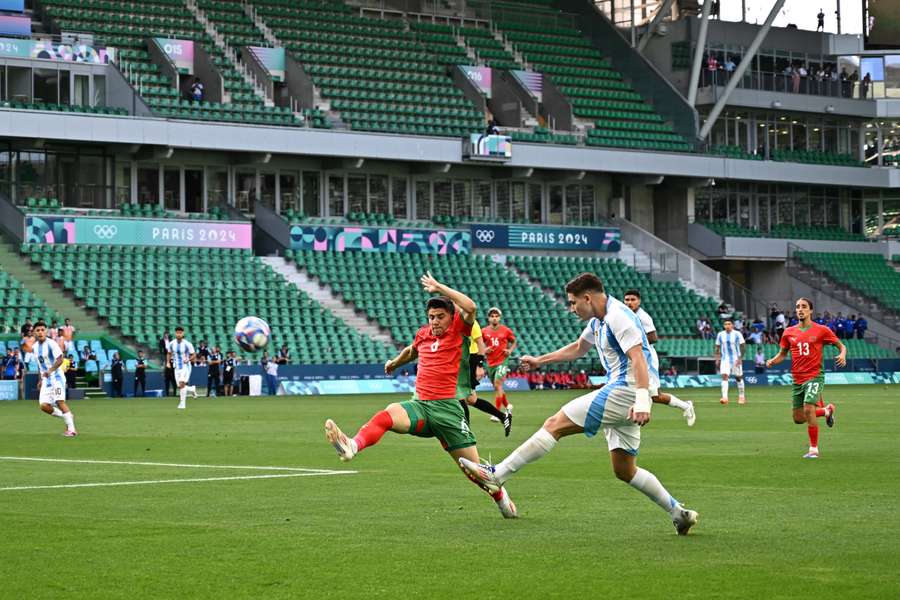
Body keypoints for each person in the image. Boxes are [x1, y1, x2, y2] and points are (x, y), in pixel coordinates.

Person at [459, 273, 698, 534]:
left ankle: (498, 474)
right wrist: (540, 361)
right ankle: (678, 512)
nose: (571, 309)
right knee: (624, 469)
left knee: (555, 424)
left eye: (574, 303)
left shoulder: (619, 317)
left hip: (626, 389)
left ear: (588, 297)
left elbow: (638, 357)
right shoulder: (599, 319)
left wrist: (642, 400)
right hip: (624, 391)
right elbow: (578, 348)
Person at [323, 272, 518, 519]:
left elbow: (470, 307)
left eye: (439, 317)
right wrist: (394, 363)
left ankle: (501, 498)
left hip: (448, 411)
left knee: (476, 471)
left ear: (451, 317)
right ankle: (352, 445)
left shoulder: (459, 329)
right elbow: (411, 351)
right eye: (431, 317)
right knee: (388, 414)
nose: (434, 321)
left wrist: (438, 287)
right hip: (421, 407)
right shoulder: (423, 334)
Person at [766, 298, 846, 458]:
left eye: (804, 307)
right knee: (798, 418)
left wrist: (842, 354)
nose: (800, 309)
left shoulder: (821, 330)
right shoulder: (789, 332)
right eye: (797, 307)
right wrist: (773, 361)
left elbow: (840, 345)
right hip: (797, 379)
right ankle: (826, 410)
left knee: (808, 408)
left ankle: (813, 449)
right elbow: (783, 354)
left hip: (815, 376)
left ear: (810, 311)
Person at [623, 289, 696, 426]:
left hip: (647, 358)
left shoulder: (643, 317)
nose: (629, 302)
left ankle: (685, 406)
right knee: (642, 390)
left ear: (639, 301)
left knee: (654, 394)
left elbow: (653, 337)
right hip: (635, 357)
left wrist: (632, 344)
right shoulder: (626, 315)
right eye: (627, 300)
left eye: (633, 300)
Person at [461, 318, 512, 436]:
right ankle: (503, 416)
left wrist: (479, 365)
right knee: (471, 399)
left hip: (470, 360)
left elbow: (479, 342)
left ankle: (465, 431)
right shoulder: (456, 321)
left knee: (460, 396)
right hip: (462, 360)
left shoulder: (470, 322)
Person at [32, 321, 77, 436]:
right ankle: (67, 416)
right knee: (44, 406)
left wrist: (50, 371)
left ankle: (71, 430)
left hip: (56, 377)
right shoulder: (35, 347)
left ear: (46, 331)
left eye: (42, 330)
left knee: (59, 401)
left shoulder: (51, 343)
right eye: (38, 330)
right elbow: (40, 365)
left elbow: (60, 359)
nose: (40, 332)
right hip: (46, 379)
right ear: (34, 333)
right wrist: (40, 379)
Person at [481, 307, 517, 418]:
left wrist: (509, 350)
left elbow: (514, 341)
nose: (494, 318)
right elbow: (479, 344)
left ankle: (497, 413)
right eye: (492, 316)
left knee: (497, 384)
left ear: (499, 318)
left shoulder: (506, 330)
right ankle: (507, 405)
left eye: (497, 316)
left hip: (502, 361)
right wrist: (484, 350)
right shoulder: (484, 331)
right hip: (490, 363)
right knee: (497, 387)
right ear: (488, 318)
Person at [715, 319, 746, 404]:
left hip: (736, 359)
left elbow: (743, 346)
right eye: (725, 324)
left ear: (732, 325)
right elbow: (717, 347)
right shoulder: (720, 335)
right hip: (725, 359)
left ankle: (742, 397)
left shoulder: (737, 334)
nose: (727, 325)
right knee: (725, 376)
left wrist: (740, 358)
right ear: (724, 326)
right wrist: (717, 359)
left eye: (729, 324)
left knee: (738, 378)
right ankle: (725, 398)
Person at [167, 326, 197, 409]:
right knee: (180, 387)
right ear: (175, 333)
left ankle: (182, 404)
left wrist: (188, 359)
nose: (179, 334)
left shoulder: (187, 344)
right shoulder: (172, 343)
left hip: (185, 366)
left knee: (182, 384)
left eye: (180, 333)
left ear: (183, 334)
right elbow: (169, 353)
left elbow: (194, 354)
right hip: (176, 367)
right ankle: (192, 389)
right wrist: (168, 362)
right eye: (177, 332)